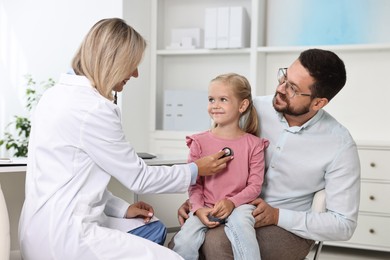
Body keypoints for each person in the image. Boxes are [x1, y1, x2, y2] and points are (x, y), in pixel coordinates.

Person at [18, 18, 232, 260]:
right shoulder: (93, 109)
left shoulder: (53, 96)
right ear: (113, 62)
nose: (136, 73)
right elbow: (139, 178)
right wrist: (196, 170)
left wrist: (123, 209)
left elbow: (75, 180)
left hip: (37, 228)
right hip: (67, 237)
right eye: (132, 64)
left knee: (152, 228)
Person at [172, 48, 361, 259]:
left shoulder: (339, 144)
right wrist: (199, 203)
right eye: (284, 77)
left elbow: (344, 224)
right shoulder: (250, 109)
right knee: (179, 243)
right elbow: (212, 155)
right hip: (229, 207)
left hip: (287, 227)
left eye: (292, 88)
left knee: (217, 244)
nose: (280, 88)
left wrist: (277, 216)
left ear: (318, 103)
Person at [172, 73, 269, 260]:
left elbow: (255, 186)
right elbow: (194, 183)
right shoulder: (198, 142)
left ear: (242, 105)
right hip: (206, 205)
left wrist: (232, 202)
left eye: (223, 99)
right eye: (211, 99)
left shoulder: (255, 145)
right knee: (184, 241)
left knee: (242, 225)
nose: (215, 105)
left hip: (240, 205)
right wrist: (198, 208)